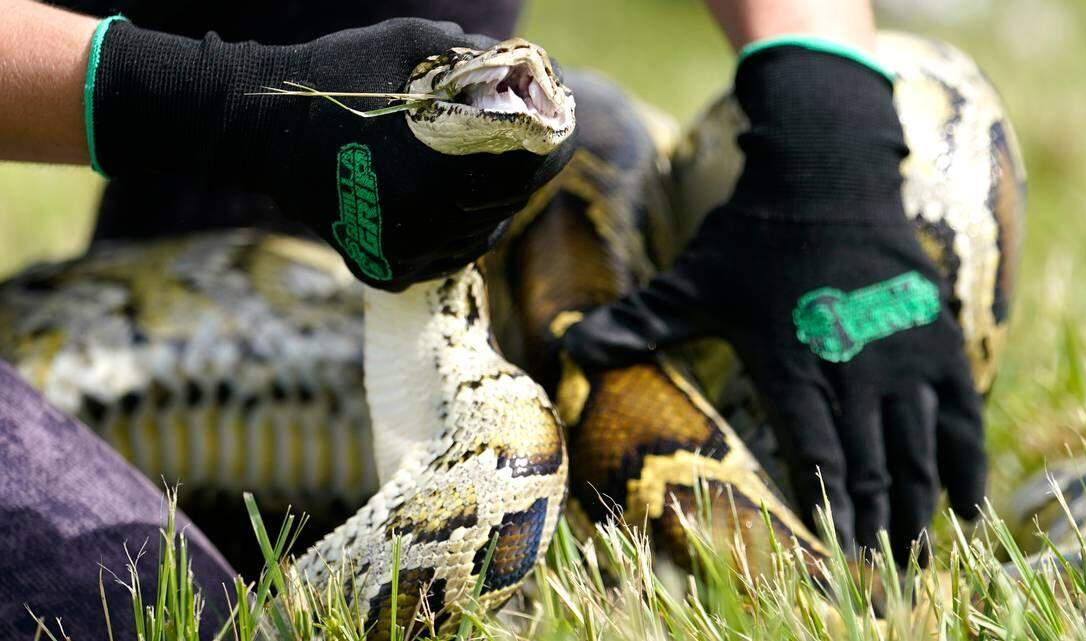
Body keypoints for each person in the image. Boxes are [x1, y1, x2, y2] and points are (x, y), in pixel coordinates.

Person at [0, 0, 985, 635]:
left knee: (929, 127)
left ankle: (783, 514)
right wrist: (215, 107)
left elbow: (831, 95)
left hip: (439, 251)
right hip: (187, 201)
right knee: (127, 612)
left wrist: (826, 127)